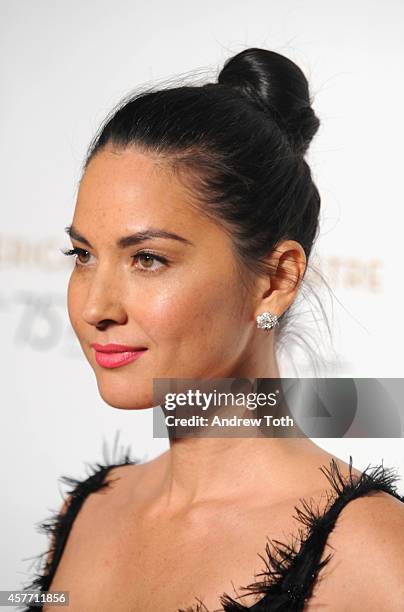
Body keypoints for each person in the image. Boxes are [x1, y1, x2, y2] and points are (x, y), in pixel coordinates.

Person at [22, 48, 404, 611]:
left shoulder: (372, 555)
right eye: (81, 254)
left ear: (275, 280)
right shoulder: (83, 514)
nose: (94, 306)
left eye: (148, 258)